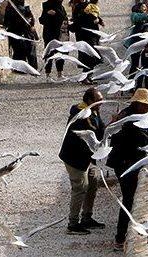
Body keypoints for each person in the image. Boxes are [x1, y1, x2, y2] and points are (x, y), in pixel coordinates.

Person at [106, 89, 148, 250]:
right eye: (147, 106)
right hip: (125, 163)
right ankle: (120, 238)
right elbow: (142, 140)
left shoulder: (129, 114)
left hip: (124, 161)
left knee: (131, 199)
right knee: (129, 200)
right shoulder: (130, 121)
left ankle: (129, 232)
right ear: (139, 104)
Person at [58, 87, 106, 235]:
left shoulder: (93, 110)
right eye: (99, 100)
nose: (102, 102)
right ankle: (72, 224)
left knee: (93, 183)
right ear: (90, 101)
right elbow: (97, 132)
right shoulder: (81, 115)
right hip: (75, 158)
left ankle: (87, 218)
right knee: (80, 188)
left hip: (87, 157)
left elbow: (100, 129)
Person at [69, 0, 101, 75]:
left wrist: (99, 20)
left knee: (93, 55)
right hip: (84, 35)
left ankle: (88, 76)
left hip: (92, 34)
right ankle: (85, 76)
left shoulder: (89, 5)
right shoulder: (77, 8)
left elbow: (96, 15)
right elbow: (80, 21)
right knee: (88, 56)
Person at [3, 0, 38, 69]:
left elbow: (7, 23)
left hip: (16, 33)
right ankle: (33, 68)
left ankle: (20, 69)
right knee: (31, 52)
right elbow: (32, 22)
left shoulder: (10, 10)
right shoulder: (26, 9)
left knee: (19, 53)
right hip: (27, 34)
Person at [40, 0, 68, 80]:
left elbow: (64, 18)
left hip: (60, 34)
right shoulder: (47, 6)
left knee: (60, 53)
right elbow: (41, 20)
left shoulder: (62, 8)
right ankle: (48, 74)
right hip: (50, 34)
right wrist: (48, 14)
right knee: (49, 54)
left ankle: (60, 73)